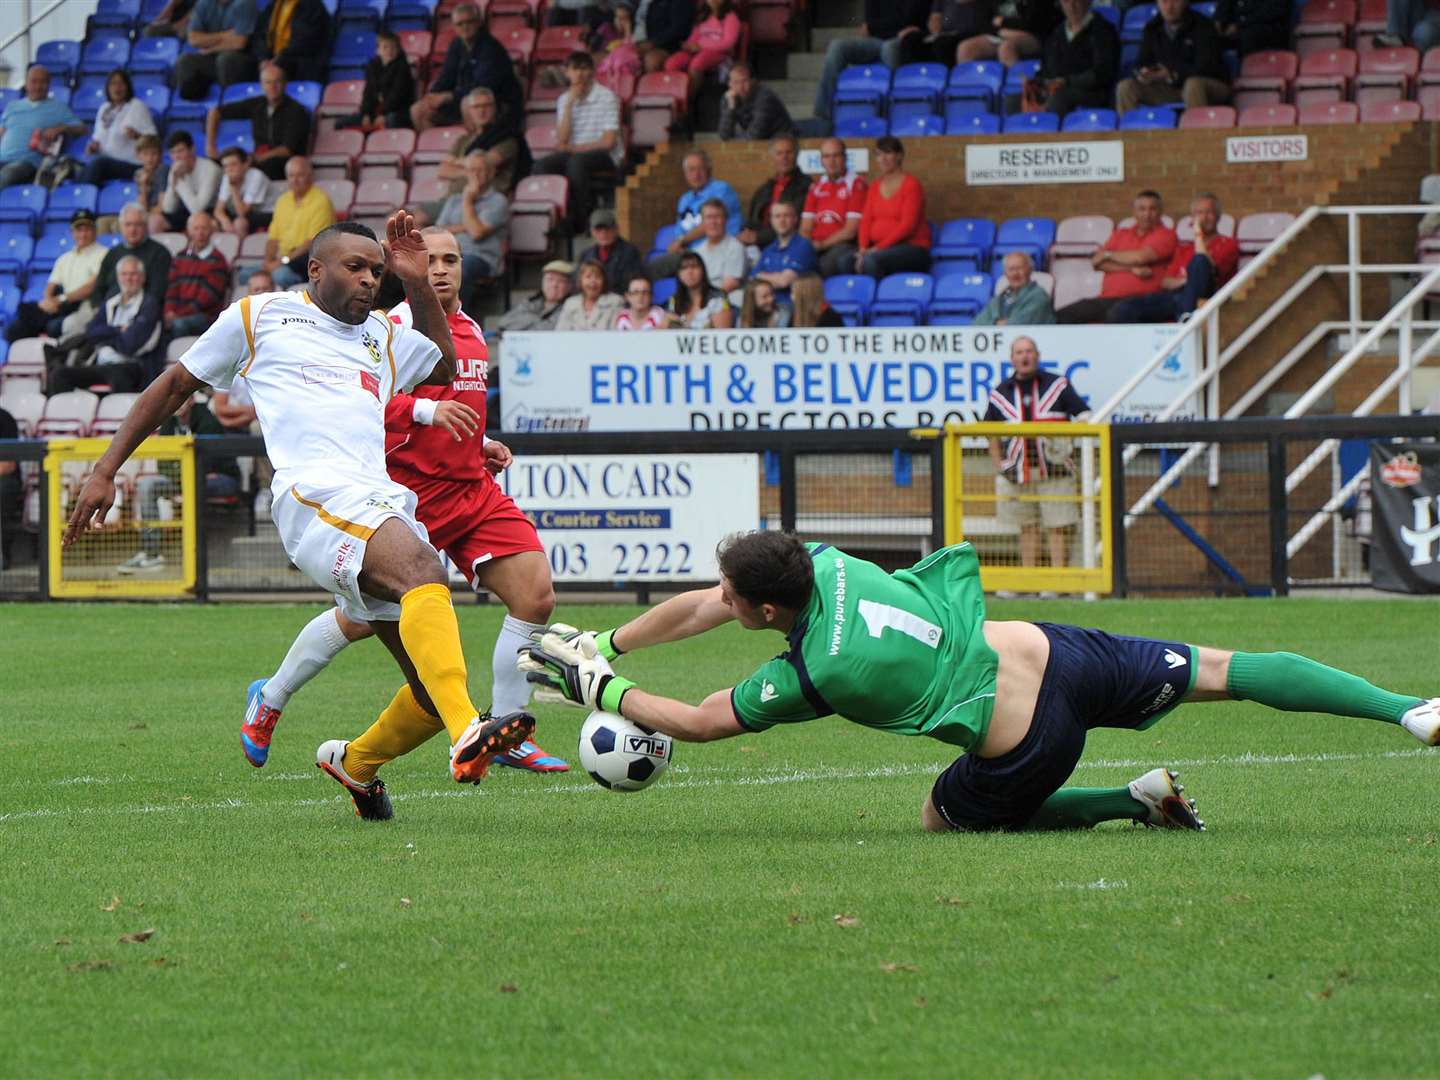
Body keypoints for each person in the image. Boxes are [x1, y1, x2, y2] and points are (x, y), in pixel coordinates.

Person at [65, 213, 537, 821]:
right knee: (425, 573)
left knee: (427, 686)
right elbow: (175, 384)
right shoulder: (261, 316)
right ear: (316, 270)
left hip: (380, 502)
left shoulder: (381, 335)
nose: (369, 280)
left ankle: (357, 763)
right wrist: (106, 468)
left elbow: (443, 370)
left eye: (376, 270)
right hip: (313, 499)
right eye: (355, 267)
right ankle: (469, 730)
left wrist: (416, 281)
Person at [518, 531, 1440, 837]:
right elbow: (706, 607)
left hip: (1031, 739)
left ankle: (1128, 802)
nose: (722, 605)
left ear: (767, 609)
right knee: (1227, 672)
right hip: (1052, 652)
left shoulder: (823, 670)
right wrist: (609, 638)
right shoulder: (829, 564)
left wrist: (593, 685)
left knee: (941, 817)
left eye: (735, 600)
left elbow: (705, 720)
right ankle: (1410, 709)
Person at [244, 226, 568, 775]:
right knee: (358, 619)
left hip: (470, 489)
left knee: (535, 597)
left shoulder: (470, 331)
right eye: (430, 260)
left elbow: (459, 401)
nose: (440, 269)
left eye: (451, 260)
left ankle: (505, 729)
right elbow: (365, 406)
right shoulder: (387, 325)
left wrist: (480, 442)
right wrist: (425, 413)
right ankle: (272, 695)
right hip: (407, 491)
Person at [983, 335, 1088, 570]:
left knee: (1057, 526)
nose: (1025, 356)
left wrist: (1069, 448)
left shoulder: (1058, 385)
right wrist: (999, 464)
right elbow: (989, 432)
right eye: (1019, 352)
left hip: (1056, 470)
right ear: (1012, 359)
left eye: (1029, 351)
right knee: (1027, 527)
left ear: (1038, 356)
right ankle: (1029, 579)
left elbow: (1084, 416)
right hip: (1017, 473)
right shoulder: (1000, 393)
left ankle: (1057, 582)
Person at [116, 392, 240, 574]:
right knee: (147, 485)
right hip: (183, 480)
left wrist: (185, 473)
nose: (177, 404)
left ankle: (198, 560)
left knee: (196, 484)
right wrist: (182, 476)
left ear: (190, 401)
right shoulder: (168, 423)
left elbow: (212, 462)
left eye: (182, 400)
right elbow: (163, 464)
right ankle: (151, 553)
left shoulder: (207, 420)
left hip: (220, 478)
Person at [531, 51, 624, 234]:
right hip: (575, 152)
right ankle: (559, 218)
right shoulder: (564, 99)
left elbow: (608, 142)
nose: (579, 74)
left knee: (577, 163)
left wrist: (574, 149)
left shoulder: (607, 97)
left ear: (592, 71)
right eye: (574, 69)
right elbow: (562, 141)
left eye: (584, 68)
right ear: (567, 72)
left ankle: (582, 220)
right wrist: (569, 105)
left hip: (605, 156)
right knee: (541, 166)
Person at [1108, 193, 1239, 323]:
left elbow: (1208, 272)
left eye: (1209, 212)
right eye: (1199, 213)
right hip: (1177, 297)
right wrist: (1189, 282)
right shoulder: (1184, 249)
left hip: (1209, 298)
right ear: (1193, 218)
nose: (1204, 218)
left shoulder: (1228, 243)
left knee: (1199, 261)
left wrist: (1198, 233)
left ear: (1218, 217)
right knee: (1125, 308)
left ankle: (1187, 321)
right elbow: (1166, 282)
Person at [46, 255, 165, 395]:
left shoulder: (149, 305)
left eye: (133, 274)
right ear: (118, 277)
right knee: (60, 375)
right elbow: (90, 332)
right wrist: (118, 330)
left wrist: (105, 338)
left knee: (118, 376)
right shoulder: (110, 303)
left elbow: (129, 345)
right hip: (101, 363)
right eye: (124, 274)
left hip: (133, 366)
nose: (128, 278)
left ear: (142, 278)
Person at [1056, 189, 1177, 323]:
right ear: (1134, 212)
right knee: (1060, 316)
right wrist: (1130, 269)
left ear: (1161, 212)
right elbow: (1097, 262)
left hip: (1144, 300)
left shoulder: (1166, 234)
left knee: (1117, 313)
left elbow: (1141, 257)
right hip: (1107, 299)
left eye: (1152, 209)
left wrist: (1108, 254)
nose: (1147, 214)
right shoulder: (1121, 233)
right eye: (1142, 209)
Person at [811, 0, 931, 135]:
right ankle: (824, 115)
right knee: (837, 46)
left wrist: (875, 27)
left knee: (889, 48)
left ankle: (890, 110)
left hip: (907, 40)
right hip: (878, 40)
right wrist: (880, 27)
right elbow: (869, 23)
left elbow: (910, 19)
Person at [411, 3, 524, 132]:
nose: (465, 27)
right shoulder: (456, 44)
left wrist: (447, 97)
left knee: (470, 103)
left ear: (479, 22)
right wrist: (433, 96)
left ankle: (473, 147)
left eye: (469, 22)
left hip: (499, 102)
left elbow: (482, 87)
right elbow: (446, 76)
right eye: (460, 24)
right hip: (462, 97)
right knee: (419, 110)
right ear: (454, 27)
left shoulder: (491, 48)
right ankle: (437, 148)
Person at [5, 210, 105, 343]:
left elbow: (91, 287)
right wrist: (49, 302)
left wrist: (60, 299)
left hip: (85, 306)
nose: (83, 234)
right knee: (13, 330)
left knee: (53, 327)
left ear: (95, 230)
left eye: (87, 229)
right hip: (61, 305)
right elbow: (50, 286)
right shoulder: (64, 258)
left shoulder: (103, 253)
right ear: (72, 232)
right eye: (79, 230)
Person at [1115, 0, 1229, 114]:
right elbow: (1141, 61)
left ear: (1185, 2)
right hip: (1168, 88)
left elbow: (1206, 67)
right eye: (1164, 2)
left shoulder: (1203, 25)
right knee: (1125, 87)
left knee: (1193, 85)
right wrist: (1144, 73)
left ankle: (1197, 129)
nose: (1169, 7)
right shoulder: (1152, 28)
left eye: (1174, 1)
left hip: (1208, 85)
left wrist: (1172, 73)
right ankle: (1130, 129)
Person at [645, 149, 743, 279]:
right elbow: (680, 231)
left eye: (700, 169)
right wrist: (679, 245)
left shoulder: (721, 189)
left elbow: (710, 224)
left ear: (709, 170)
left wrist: (683, 240)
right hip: (690, 254)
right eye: (691, 170)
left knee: (655, 268)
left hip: (718, 249)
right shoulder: (685, 200)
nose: (696, 174)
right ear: (685, 174)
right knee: (647, 270)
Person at [206, 61, 311, 181]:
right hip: (258, 158)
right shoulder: (257, 104)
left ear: (285, 84)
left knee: (268, 166)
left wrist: (258, 158)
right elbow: (215, 112)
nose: (273, 87)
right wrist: (210, 146)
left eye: (277, 82)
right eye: (268, 82)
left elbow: (286, 149)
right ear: (262, 85)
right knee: (221, 164)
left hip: (284, 162)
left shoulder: (297, 111)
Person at [1021, 0, 1120, 117]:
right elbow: (1045, 68)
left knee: (1058, 97)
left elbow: (1102, 72)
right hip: (1055, 88)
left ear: (1087, 2)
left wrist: (1067, 81)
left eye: (1076, 1)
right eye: (1067, 1)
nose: (1071, 6)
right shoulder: (1057, 33)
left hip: (1091, 93)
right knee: (1013, 100)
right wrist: (1036, 82)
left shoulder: (1103, 30)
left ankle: (1050, 134)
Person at [434, 151, 508, 307]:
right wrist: (466, 226)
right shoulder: (454, 200)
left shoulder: (498, 201)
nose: (476, 174)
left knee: (459, 269)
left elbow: (476, 233)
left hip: (480, 257)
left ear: (491, 172)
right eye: (472, 170)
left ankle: (456, 321)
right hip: (450, 254)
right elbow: (438, 232)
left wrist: (468, 200)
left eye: (480, 170)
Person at [855, 136, 931, 279]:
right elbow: (865, 221)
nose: (883, 158)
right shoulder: (875, 186)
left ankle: (880, 300)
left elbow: (907, 226)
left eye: (888, 153)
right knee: (844, 261)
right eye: (879, 154)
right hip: (879, 249)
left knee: (871, 261)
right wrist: (863, 249)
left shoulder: (911, 185)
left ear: (900, 155)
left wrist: (876, 249)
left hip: (912, 248)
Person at [0, 65, 86, 189]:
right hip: (2, 159)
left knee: (7, 174)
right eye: (34, 81)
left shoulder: (58, 108)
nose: (38, 86)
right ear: (26, 83)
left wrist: (62, 128)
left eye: (43, 82)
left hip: (26, 164)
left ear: (49, 84)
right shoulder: (12, 106)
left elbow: (82, 129)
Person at [256, 156, 335, 289]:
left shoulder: (321, 201)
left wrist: (281, 262)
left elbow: (312, 242)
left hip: (306, 262)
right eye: (291, 176)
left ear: (310, 176)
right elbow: (272, 239)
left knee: (279, 275)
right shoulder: (282, 201)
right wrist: (268, 262)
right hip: (283, 260)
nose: (295, 180)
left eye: (300, 175)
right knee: (246, 274)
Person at [801, 137, 867, 279]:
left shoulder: (856, 184)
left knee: (824, 265)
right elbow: (805, 228)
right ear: (821, 160)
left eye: (836, 155)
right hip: (816, 245)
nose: (831, 161)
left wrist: (821, 245)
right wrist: (806, 246)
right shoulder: (816, 187)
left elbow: (850, 231)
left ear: (845, 158)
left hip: (843, 244)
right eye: (826, 156)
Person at [80, 70, 159, 187]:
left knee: (98, 164)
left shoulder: (137, 106)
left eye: (121, 83)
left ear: (127, 87)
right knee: (81, 165)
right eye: (113, 84)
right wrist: (93, 147)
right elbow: (97, 138)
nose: (117, 88)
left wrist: (137, 136)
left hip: (132, 164)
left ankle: (84, 201)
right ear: (107, 88)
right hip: (106, 162)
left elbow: (154, 141)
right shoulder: (104, 108)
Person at [737, 134, 810, 252]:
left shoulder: (805, 186)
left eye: (789, 152)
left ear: (796, 155)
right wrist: (745, 234)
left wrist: (757, 237)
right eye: (779, 153)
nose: (784, 157)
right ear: (772, 157)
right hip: (757, 245)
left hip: (787, 244)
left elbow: (792, 225)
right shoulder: (764, 189)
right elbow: (751, 221)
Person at [163, 211, 231, 337]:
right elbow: (172, 289)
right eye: (196, 228)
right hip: (179, 313)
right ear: (189, 231)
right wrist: (169, 311)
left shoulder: (218, 261)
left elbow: (206, 300)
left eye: (204, 228)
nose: (200, 233)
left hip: (205, 317)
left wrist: (177, 314)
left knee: (177, 325)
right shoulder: (179, 257)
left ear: (211, 231)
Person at [176, 0, 260, 100]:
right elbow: (193, 39)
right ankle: (186, 108)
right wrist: (225, 35)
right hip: (214, 59)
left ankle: (228, 102)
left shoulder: (245, 3)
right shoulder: (204, 3)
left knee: (225, 59)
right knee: (185, 61)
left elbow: (239, 43)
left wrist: (211, 48)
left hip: (244, 59)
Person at [94, 203, 173, 307]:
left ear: (146, 226)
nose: (132, 230)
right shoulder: (112, 253)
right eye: (128, 224)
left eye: (138, 224)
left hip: (142, 312)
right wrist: (102, 311)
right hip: (108, 310)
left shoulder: (160, 254)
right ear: (121, 227)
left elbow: (157, 293)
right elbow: (99, 288)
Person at [338, 29, 417, 132]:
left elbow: (397, 96)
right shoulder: (372, 66)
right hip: (374, 112)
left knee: (391, 120)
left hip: (398, 111)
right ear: (377, 50)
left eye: (393, 47)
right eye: (385, 47)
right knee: (340, 123)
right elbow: (368, 93)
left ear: (398, 49)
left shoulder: (403, 67)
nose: (389, 51)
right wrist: (366, 114)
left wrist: (383, 114)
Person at [665, 0, 742, 95]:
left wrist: (701, 46)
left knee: (697, 63)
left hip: (719, 52)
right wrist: (688, 45)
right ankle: (675, 95)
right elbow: (694, 37)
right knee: (672, 63)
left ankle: (689, 99)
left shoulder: (731, 17)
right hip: (697, 50)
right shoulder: (703, 16)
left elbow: (728, 43)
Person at [153, 130, 222, 235]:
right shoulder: (175, 169)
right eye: (173, 152)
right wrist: (173, 185)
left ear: (192, 149)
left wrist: (179, 181)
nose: (176, 157)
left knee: (205, 223)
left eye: (180, 151)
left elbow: (198, 209)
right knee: (156, 221)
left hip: (211, 211)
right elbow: (168, 208)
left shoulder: (210, 169)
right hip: (186, 209)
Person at [251, 0, 331, 85]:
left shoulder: (312, 6)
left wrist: (278, 60)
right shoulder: (273, 6)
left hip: (300, 66)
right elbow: (260, 35)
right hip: (272, 63)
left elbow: (304, 42)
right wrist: (263, 59)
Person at [956, 0, 1058, 66]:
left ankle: (1016, 93)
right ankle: (974, 96)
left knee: (1006, 47)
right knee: (965, 48)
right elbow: (984, 23)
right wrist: (1000, 31)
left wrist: (1004, 22)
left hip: (1032, 35)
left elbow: (1032, 22)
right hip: (1000, 34)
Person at [752, 201, 817, 304]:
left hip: (793, 307)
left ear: (795, 219)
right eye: (777, 216)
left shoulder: (803, 246)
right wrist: (776, 277)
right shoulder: (768, 249)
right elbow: (753, 278)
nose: (781, 220)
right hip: (769, 305)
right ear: (771, 221)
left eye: (786, 216)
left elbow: (784, 282)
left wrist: (763, 276)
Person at [973, 251, 1056, 326]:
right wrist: (997, 323)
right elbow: (977, 323)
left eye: (1019, 268)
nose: (1015, 274)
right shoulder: (1001, 296)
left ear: (1030, 270)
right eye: (1011, 269)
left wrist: (997, 324)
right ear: (1005, 273)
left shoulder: (1039, 296)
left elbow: (1019, 324)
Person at [718, 62, 794, 143]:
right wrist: (731, 108)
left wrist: (734, 142)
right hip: (763, 142)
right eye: (736, 82)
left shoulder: (765, 97)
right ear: (729, 84)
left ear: (753, 81)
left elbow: (755, 135)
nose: (740, 87)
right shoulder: (729, 98)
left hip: (784, 142)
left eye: (744, 81)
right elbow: (724, 135)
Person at [575, 208, 645, 295]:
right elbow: (578, 283)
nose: (603, 234)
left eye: (607, 229)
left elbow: (633, 284)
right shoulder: (585, 255)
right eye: (599, 230)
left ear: (616, 229)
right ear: (592, 232)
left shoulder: (630, 252)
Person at [902, 0, 997, 63]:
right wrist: (936, 32)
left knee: (942, 44)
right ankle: (914, 82)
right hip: (945, 33)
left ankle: (948, 81)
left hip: (971, 31)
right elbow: (934, 17)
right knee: (911, 40)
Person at [693, 199, 747, 304]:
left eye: (717, 217)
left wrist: (700, 302)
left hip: (725, 301)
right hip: (700, 300)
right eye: (709, 217)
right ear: (702, 222)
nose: (713, 222)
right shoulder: (696, 251)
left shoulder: (735, 247)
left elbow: (730, 285)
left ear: (725, 220)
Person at [213, 145, 273, 238]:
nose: (229, 169)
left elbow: (242, 212)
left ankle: (239, 252)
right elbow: (218, 210)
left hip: (267, 212)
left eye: (233, 164)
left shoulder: (256, 176)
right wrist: (224, 221)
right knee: (212, 223)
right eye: (225, 166)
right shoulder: (227, 177)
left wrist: (233, 189)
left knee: (239, 222)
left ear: (245, 164)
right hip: (249, 213)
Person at [498, 259, 573, 332]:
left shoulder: (571, 305)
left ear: (569, 286)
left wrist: (525, 322)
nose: (554, 285)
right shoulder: (532, 301)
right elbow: (504, 322)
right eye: (550, 279)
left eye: (560, 281)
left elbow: (550, 329)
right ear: (542, 282)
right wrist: (539, 319)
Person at [665, 250, 733, 329]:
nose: (689, 271)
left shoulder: (718, 298)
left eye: (694, 266)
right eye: (684, 268)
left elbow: (722, 335)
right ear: (678, 274)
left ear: (703, 271)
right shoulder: (674, 300)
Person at [557, 258, 622, 330]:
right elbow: (560, 334)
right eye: (588, 277)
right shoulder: (570, 303)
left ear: (604, 280)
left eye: (598, 277)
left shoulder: (615, 302)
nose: (593, 281)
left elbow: (617, 335)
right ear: (580, 280)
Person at [635, 0, 695, 73]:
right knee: (627, 57)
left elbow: (679, 30)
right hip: (652, 43)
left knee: (652, 61)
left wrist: (654, 43)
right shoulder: (653, 4)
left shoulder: (682, 2)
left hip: (675, 46)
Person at [1213, 0, 1291, 56]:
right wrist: (1218, 22)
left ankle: (1245, 74)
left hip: (1268, 27)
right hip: (1236, 28)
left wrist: (1239, 25)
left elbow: (1272, 11)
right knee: (1209, 37)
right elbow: (1223, 8)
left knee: (1247, 36)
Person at [128, 135, 169, 229]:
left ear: (160, 155)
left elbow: (162, 207)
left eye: (154, 154)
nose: (150, 158)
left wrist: (145, 214)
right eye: (146, 154)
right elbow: (142, 207)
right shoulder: (139, 173)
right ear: (138, 155)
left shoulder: (163, 170)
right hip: (148, 214)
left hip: (165, 217)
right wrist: (143, 186)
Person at [0, 405, 21, 570]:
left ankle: (3, 554)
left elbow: (8, 465)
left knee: (4, 488)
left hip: (5, 478)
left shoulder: (4, 418)